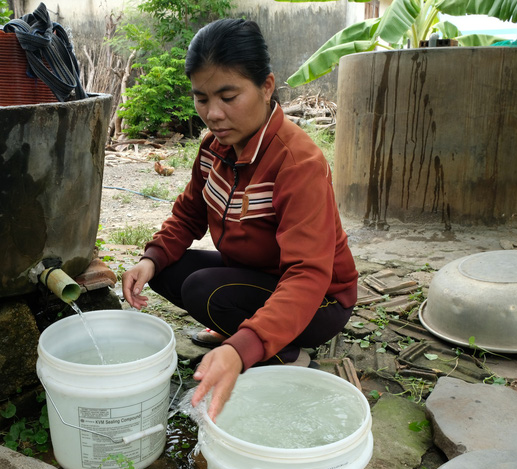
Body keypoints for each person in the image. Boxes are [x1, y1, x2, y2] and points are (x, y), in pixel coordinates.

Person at [121, 18, 358, 421]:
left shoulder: (297, 162)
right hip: (253, 276)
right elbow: (189, 213)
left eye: (228, 96)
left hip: (320, 302)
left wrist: (241, 348)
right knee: (163, 269)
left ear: (266, 87)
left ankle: (286, 355)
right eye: (201, 98)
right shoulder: (214, 149)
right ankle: (242, 328)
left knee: (202, 290)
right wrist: (150, 257)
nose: (212, 114)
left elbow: (307, 275)